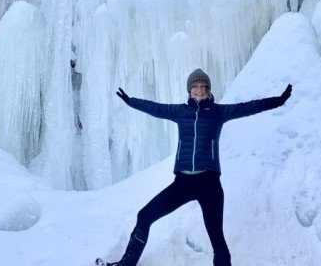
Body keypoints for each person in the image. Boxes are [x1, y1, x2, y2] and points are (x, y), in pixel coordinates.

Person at [100, 68, 292, 266]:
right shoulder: (180, 112)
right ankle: (126, 263)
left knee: (217, 240)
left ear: (208, 90)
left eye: (203, 87)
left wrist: (278, 100)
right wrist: (131, 101)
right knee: (144, 216)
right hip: (183, 183)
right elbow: (156, 108)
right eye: (195, 87)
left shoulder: (218, 112)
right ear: (189, 90)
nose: (199, 90)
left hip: (209, 184)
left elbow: (248, 107)